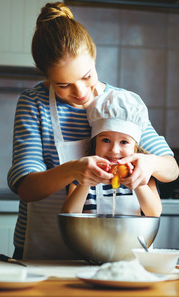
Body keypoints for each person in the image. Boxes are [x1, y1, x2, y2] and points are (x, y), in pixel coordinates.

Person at [7, 1, 178, 260]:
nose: (80, 92)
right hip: (45, 251)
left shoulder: (121, 104)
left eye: (87, 76)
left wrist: (149, 163)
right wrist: (75, 171)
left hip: (115, 252)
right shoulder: (34, 104)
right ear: (47, 76)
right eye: (63, 85)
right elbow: (27, 189)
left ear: (94, 57)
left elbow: (171, 169)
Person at [61, 89, 162, 217]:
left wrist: (137, 183)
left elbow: (154, 213)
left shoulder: (144, 176)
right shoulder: (83, 174)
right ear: (95, 142)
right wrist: (86, 183)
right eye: (106, 140)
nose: (114, 150)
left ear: (135, 147)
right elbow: (69, 214)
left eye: (124, 142)